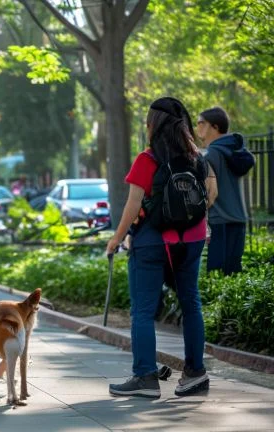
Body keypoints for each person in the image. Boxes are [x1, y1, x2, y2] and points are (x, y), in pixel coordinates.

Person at [106, 97, 217, 398]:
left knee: (142, 310)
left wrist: (116, 238)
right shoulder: (198, 158)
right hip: (192, 239)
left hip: (153, 241)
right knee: (190, 302)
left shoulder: (148, 159)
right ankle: (195, 374)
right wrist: (191, 218)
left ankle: (145, 378)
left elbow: (132, 204)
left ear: (153, 125)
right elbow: (212, 193)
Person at [196, 107, 250, 275]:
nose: (197, 127)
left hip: (219, 222)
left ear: (215, 127)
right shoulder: (235, 152)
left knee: (217, 275)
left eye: (201, 123)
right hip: (238, 219)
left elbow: (205, 193)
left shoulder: (212, 155)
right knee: (233, 275)